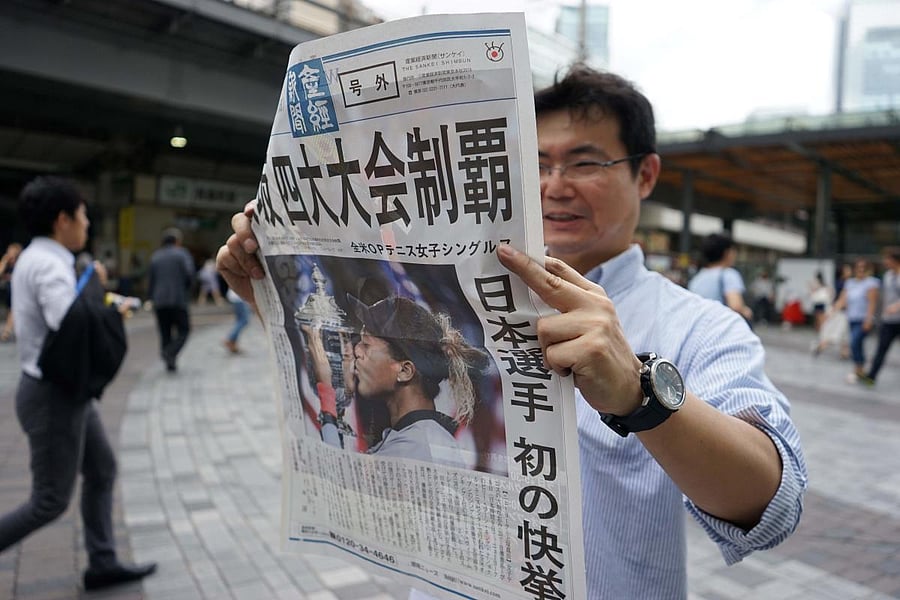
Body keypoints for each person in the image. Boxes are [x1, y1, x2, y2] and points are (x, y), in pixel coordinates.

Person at [216, 65, 807, 598]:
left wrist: (638, 392)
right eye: (534, 165)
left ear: (646, 174)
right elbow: (351, 409)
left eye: (584, 162)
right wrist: (270, 295)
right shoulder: (457, 296)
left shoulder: (697, 325)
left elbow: (772, 506)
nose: (553, 185)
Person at [0, 176, 156, 590]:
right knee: (49, 501)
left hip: (62, 392)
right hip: (53, 397)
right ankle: (102, 560)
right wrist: (98, 289)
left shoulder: (37, 257)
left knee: (102, 470)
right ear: (62, 219)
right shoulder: (50, 263)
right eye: (84, 215)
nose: (87, 223)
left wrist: (99, 296)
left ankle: (102, 562)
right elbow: (69, 322)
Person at [304, 295, 488, 468]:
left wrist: (327, 392)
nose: (356, 351)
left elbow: (339, 489)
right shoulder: (417, 436)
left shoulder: (414, 447)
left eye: (366, 345)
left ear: (404, 371)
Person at [147, 227, 195, 372]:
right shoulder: (182, 254)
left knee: (165, 332)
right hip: (178, 299)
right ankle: (170, 352)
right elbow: (190, 275)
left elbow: (151, 281)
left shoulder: (155, 256)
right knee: (184, 330)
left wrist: (151, 298)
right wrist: (187, 290)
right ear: (177, 241)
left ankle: (169, 362)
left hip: (159, 301)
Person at [688, 233, 754, 324]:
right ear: (727, 253)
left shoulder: (697, 277)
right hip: (720, 328)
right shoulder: (729, 274)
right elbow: (735, 306)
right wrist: (746, 311)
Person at [832, 258, 880, 383]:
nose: (861, 270)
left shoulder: (871, 283)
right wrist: (834, 309)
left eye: (864, 268)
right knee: (856, 343)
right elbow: (843, 298)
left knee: (854, 342)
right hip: (851, 318)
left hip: (863, 318)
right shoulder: (850, 283)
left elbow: (872, 303)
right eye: (858, 267)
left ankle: (858, 368)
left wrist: (868, 319)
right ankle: (860, 369)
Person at [860, 247, 900, 386]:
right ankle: (871, 376)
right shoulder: (888, 276)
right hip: (888, 321)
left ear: (895, 260)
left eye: (887, 259)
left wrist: (896, 306)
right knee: (881, 349)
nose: (885, 261)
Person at [0, 242, 22, 342]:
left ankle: (7, 331)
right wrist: (4, 261)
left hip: (17, 291)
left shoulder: (21, 262)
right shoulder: (6, 262)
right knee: (12, 309)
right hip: (7, 290)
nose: (10, 253)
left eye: (12, 251)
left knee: (14, 309)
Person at [223, 287, 251, 353]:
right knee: (244, 320)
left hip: (237, 296)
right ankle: (230, 339)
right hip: (238, 296)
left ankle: (233, 344)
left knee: (240, 320)